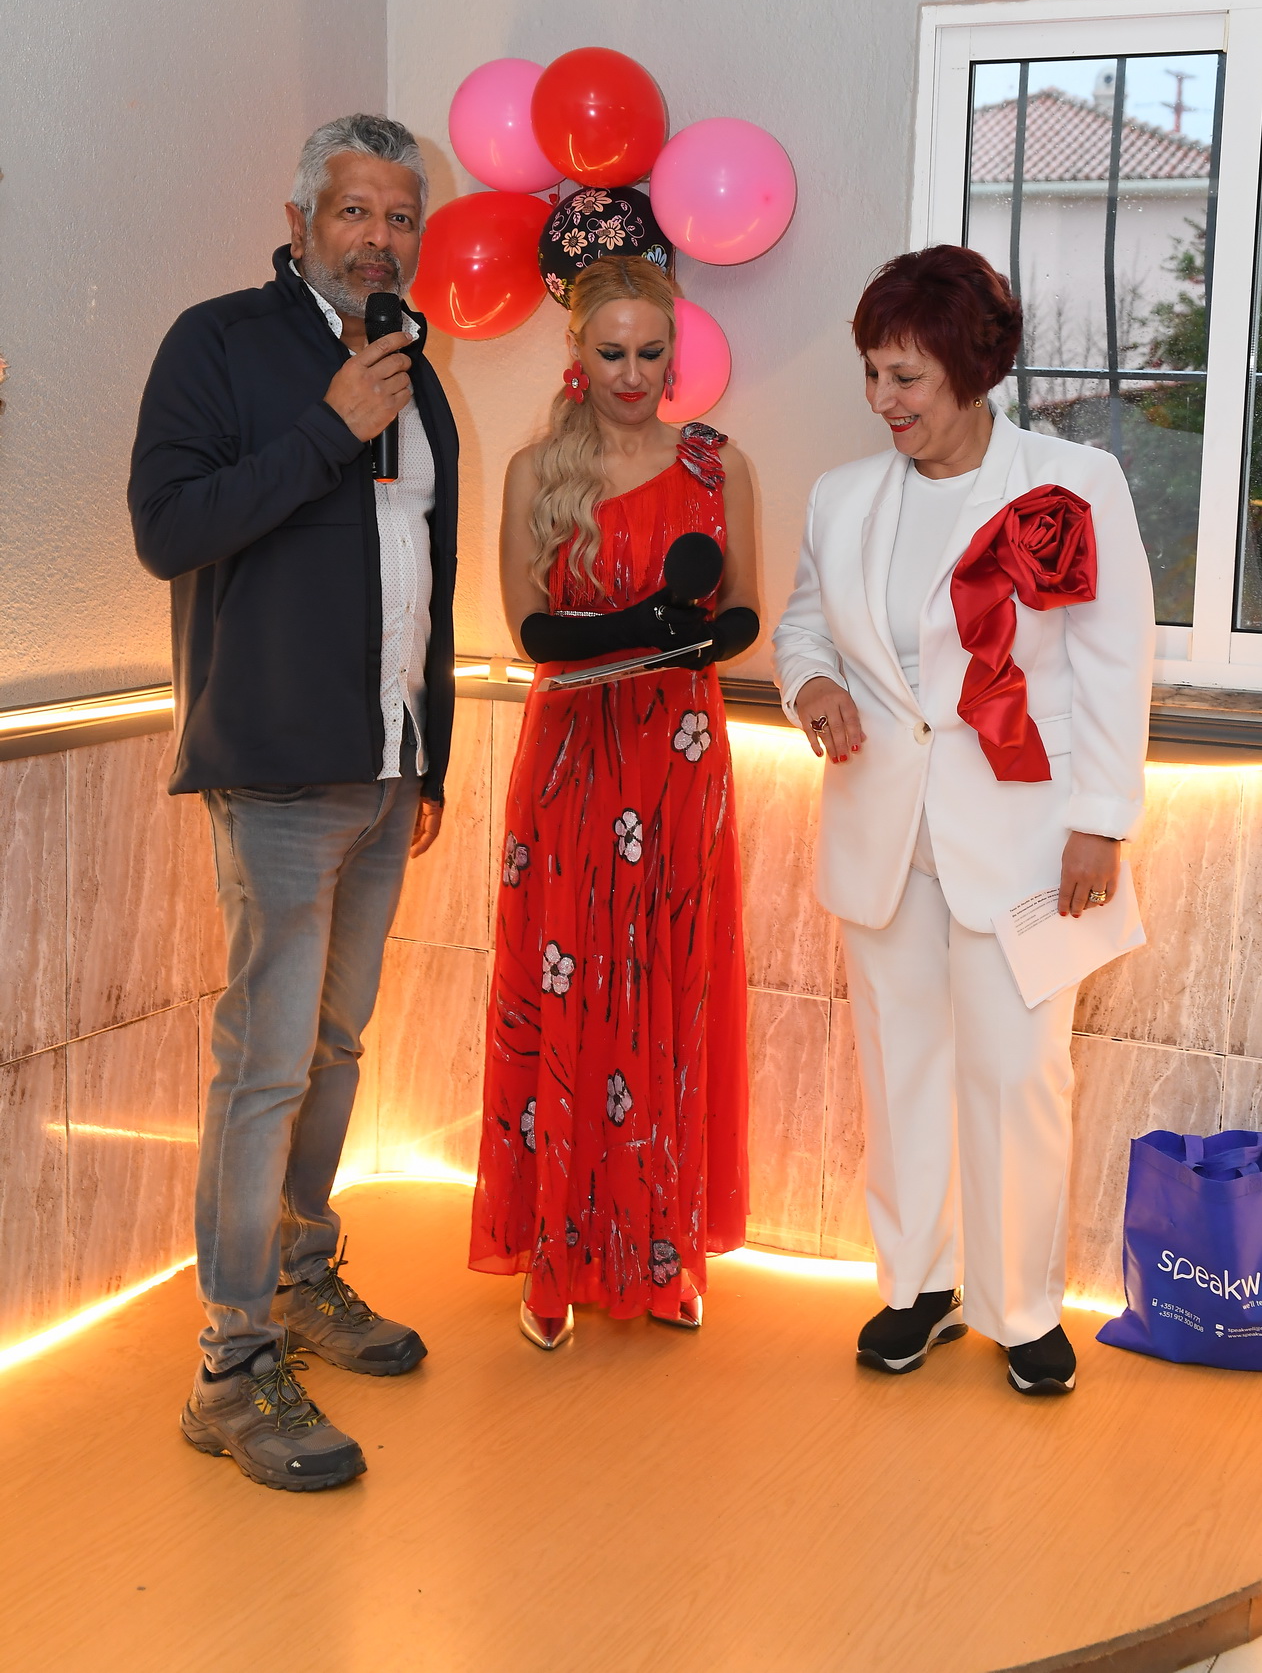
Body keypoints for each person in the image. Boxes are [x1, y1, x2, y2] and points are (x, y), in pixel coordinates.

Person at [129, 114, 458, 1491]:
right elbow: (168, 530)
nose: (380, 238)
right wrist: (329, 430)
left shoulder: (414, 369)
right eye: (356, 211)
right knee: (263, 1064)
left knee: (334, 1050)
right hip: (272, 767)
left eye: (401, 217)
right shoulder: (217, 344)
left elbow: (427, 572)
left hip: (382, 769)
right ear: (301, 219)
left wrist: (429, 753)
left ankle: (302, 1273)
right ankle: (231, 1361)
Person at [773, 245, 1154, 1396]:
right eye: (871, 374)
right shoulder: (842, 497)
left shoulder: (1067, 484)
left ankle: (1021, 1309)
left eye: (905, 378)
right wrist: (812, 686)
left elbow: (1110, 655)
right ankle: (918, 1287)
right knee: (900, 1070)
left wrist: (1100, 821)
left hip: (1026, 832)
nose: (880, 401)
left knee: (1016, 1073)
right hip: (883, 832)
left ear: (970, 369)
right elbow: (803, 625)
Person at [469, 255, 758, 1348]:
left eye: (650, 353)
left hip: (679, 755)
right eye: (611, 353)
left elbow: (743, 611)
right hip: (573, 757)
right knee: (570, 986)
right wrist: (645, 626)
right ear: (575, 353)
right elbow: (531, 630)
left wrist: (698, 637)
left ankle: (662, 1250)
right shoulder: (535, 471)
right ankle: (555, 1256)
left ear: (674, 352)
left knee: (671, 988)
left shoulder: (718, 465)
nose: (633, 375)